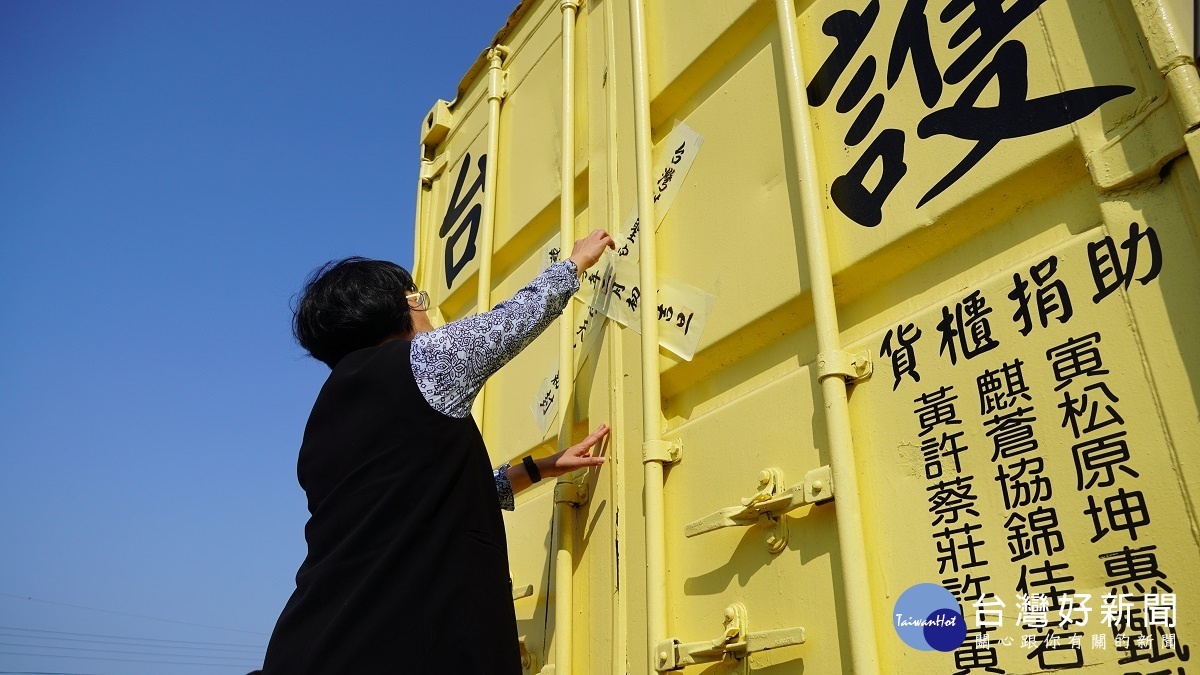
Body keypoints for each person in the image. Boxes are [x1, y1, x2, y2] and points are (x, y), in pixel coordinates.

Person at [258, 230, 616, 674]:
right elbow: (510, 321)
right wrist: (575, 263)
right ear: (402, 307)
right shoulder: (422, 361)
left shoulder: (322, 421)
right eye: (419, 299)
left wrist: (536, 469)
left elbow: (420, 502)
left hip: (314, 646)